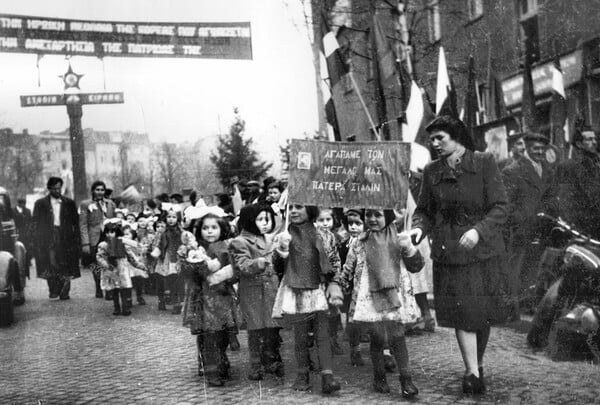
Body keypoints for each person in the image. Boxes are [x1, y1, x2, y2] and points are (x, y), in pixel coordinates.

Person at [411, 115, 511, 394]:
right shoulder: (432, 171)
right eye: (431, 139)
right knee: (463, 313)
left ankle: (476, 365)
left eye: (439, 138)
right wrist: (418, 230)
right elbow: (424, 211)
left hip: (484, 252)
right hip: (450, 252)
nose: (434, 143)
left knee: (482, 314)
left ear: (456, 136)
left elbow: (501, 206)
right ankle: (472, 372)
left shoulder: (483, 162)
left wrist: (479, 231)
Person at [334, 208, 422, 397]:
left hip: (393, 297)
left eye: (378, 215)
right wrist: (338, 286)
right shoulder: (360, 242)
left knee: (397, 337)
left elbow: (417, 265)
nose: (372, 219)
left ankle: (406, 380)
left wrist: (409, 248)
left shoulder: (399, 239)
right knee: (377, 338)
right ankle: (379, 377)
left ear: (388, 217)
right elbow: (348, 267)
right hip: (370, 298)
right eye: (369, 215)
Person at [272, 204, 342, 395]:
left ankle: (328, 377)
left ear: (310, 209)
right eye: (291, 208)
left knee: (322, 333)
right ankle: (302, 375)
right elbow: (276, 267)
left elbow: (334, 261)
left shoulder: (324, 235)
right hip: (296, 289)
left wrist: (334, 283)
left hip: (318, 288)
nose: (293, 211)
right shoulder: (284, 234)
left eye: (299, 207)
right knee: (300, 335)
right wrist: (282, 251)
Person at [502, 132, 557, 314]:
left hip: (544, 227)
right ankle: (517, 304)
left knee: (539, 266)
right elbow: (507, 203)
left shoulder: (549, 170)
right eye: (536, 148)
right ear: (526, 148)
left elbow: (551, 197)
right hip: (523, 229)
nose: (540, 152)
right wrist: (521, 220)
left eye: (542, 149)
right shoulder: (513, 170)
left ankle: (532, 302)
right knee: (520, 266)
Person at [181, 210, 237, 387]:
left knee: (224, 333)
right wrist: (190, 264)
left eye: (214, 227)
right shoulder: (195, 248)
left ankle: (220, 359)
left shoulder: (226, 246)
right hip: (202, 297)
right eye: (205, 228)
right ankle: (211, 368)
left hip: (222, 296)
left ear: (222, 229)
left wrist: (226, 274)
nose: (210, 231)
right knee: (208, 333)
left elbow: (234, 270)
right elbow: (186, 274)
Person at [230, 203, 283, 380]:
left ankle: (272, 361)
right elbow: (242, 265)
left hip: (271, 289)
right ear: (249, 220)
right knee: (256, 330)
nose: (265, 223)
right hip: (253, 291)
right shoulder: (240, 241)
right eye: (260, 219)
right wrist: (258, 263)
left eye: (267, 219)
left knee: (272, 329)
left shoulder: (271, 239)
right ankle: (256, 364)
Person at [32, 177, 81, 300]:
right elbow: (35, 223)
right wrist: (36, 239)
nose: (57, 191)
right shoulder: (40, 204)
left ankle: (65, 290)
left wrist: (77, 239)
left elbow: (76, 222)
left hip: (65, 236)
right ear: (49, 189)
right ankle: (54, 288)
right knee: (51, 262)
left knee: (65, 262)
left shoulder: (69, 203)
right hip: (49, 236)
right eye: (54, 188)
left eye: (59, 188)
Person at [556, 127, 600, 239]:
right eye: (589, 139)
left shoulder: (596, 164)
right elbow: (566, 201)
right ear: (579, 144)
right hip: (584, 229)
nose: (594, 142)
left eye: (595, 139)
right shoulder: (569, 167)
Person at [79, 180, 116, 298]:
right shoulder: (85, 204)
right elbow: (83, 224)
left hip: (108, 236)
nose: (100, 192)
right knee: (95, 263)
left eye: (102, 190)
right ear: (93, 191)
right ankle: (98, 286)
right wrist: (85, 243)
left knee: (109, 262)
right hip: (93, 237)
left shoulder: (110, 204)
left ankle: (109, 288)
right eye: (97, 190)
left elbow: (115, 220)